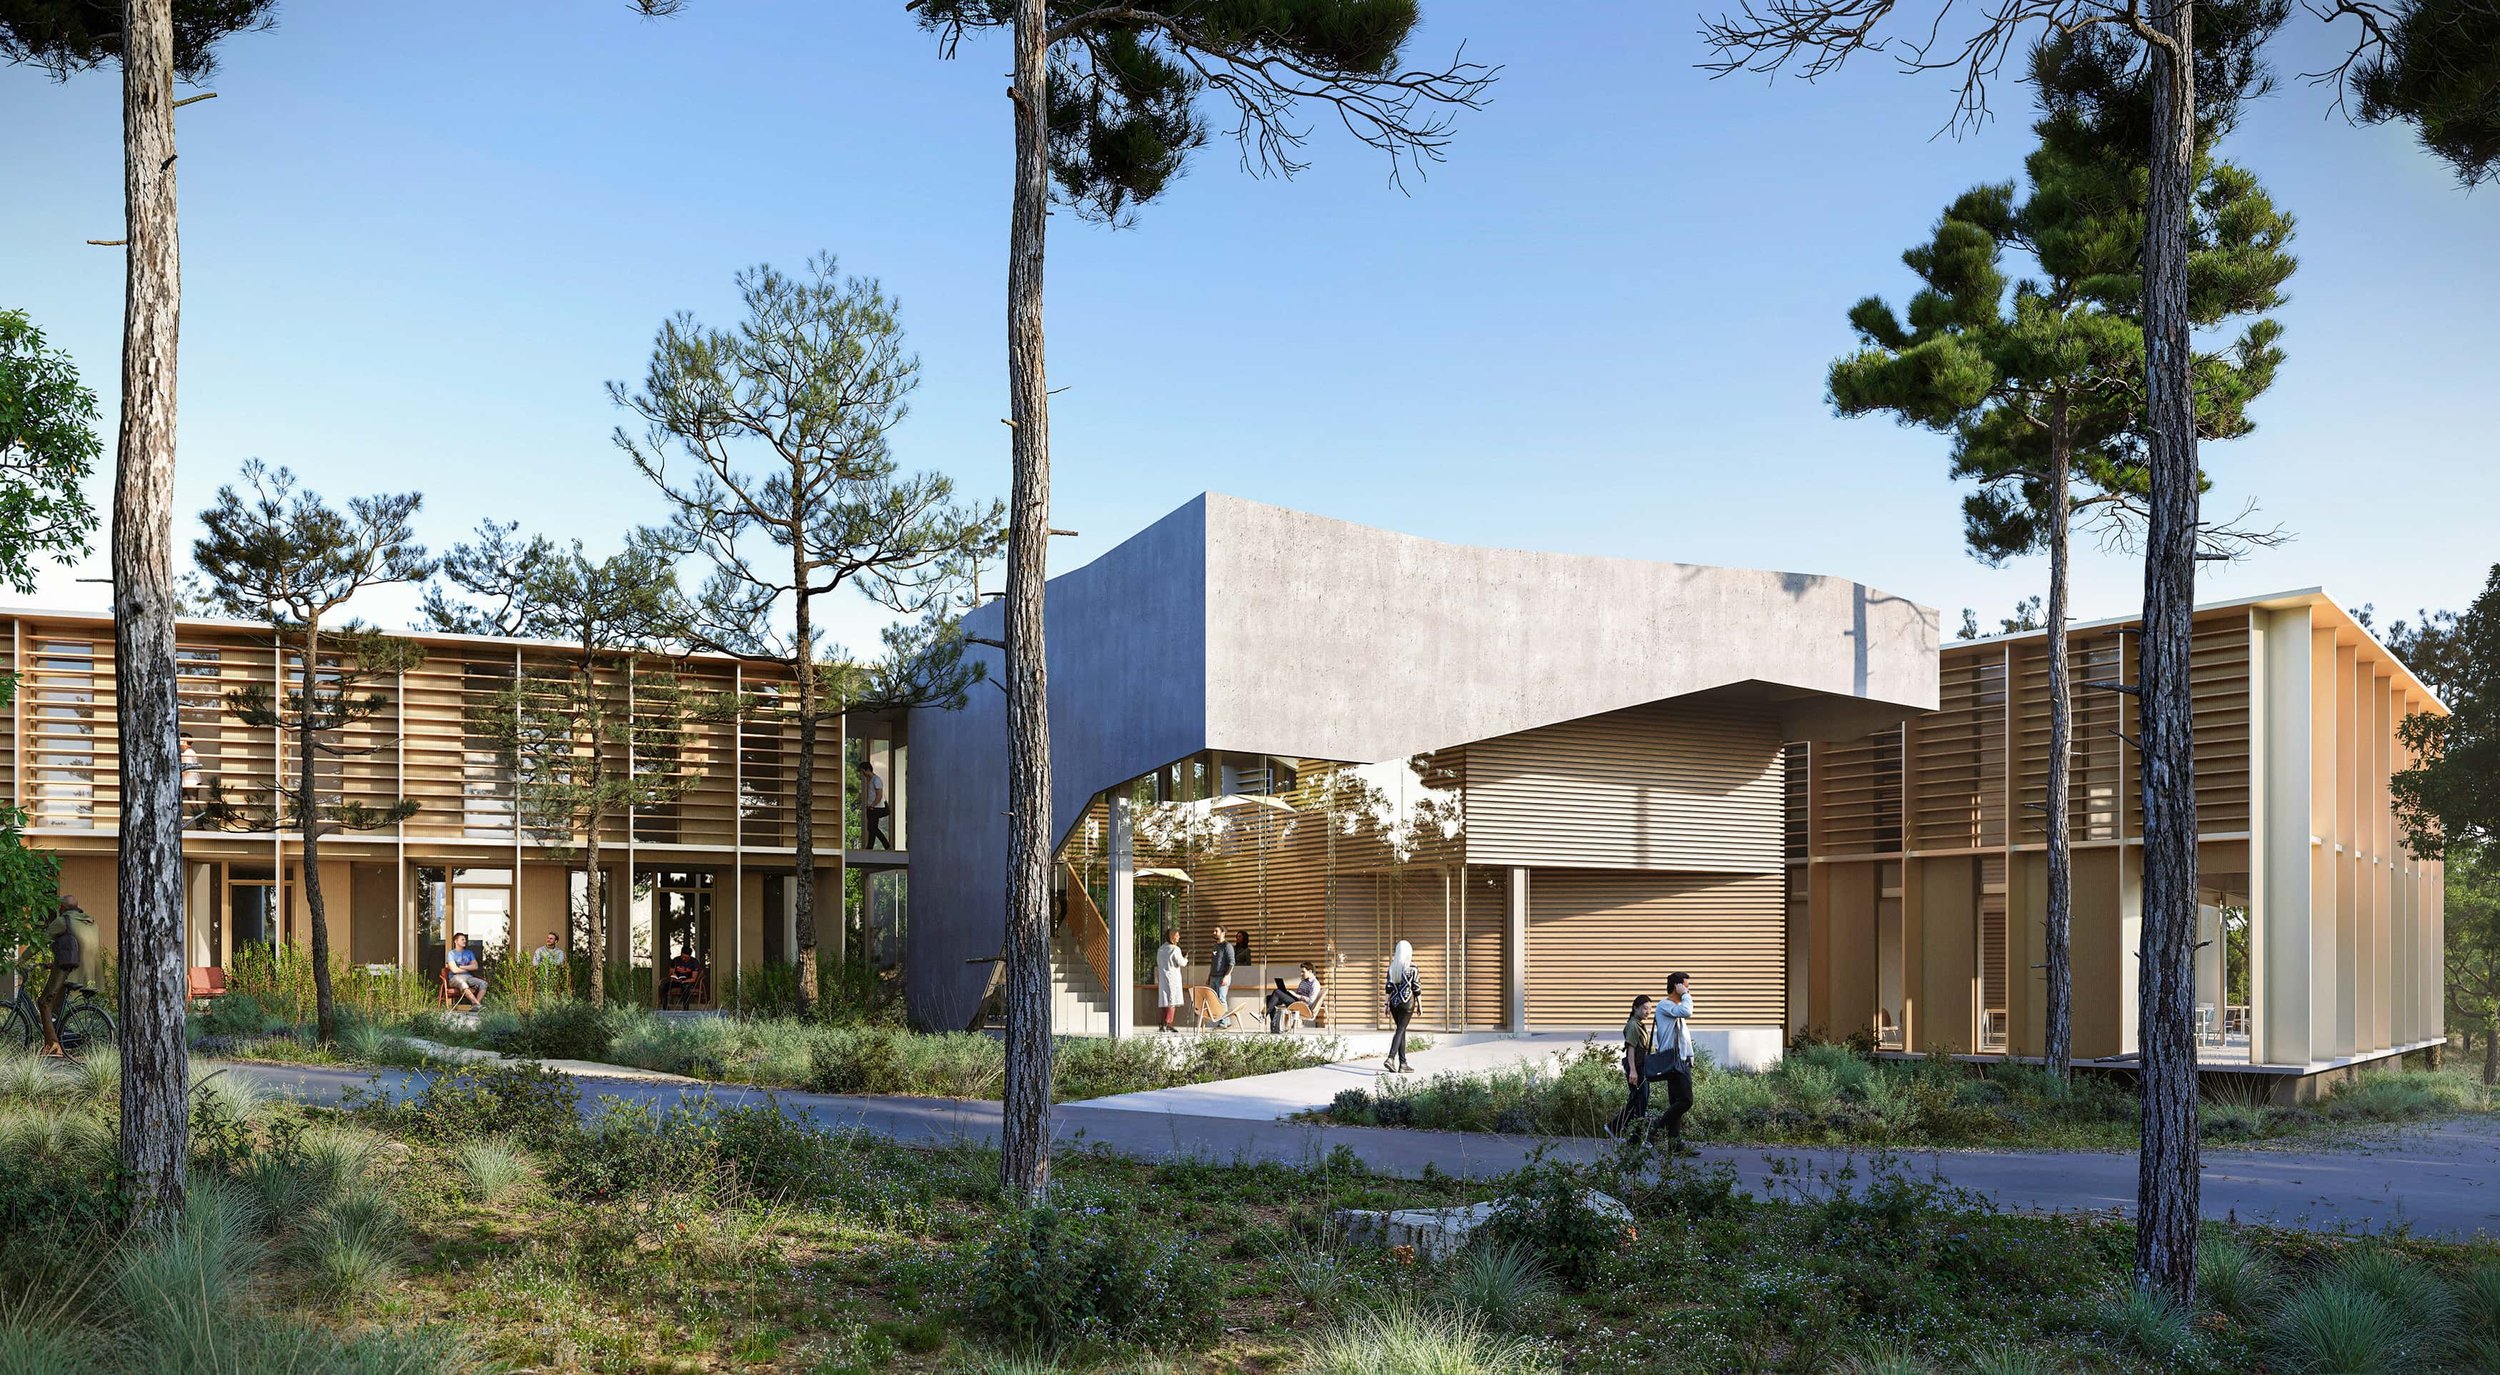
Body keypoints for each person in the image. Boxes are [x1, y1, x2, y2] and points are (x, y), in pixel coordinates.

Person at [36, 896, 100, 1057]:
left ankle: (52, 1045)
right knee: (55, 1005)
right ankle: (60, 1033)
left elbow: (39, 942)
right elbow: (75, 946)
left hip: (66, 968)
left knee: (44, 1002)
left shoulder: (63, 921)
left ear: (62, 908)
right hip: (87, 970)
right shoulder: (87, 921)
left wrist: (21, 960)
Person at [1653, 972, 1698, 1154]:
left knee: (1677, 1101)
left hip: (1681, 1059)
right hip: (1674, 1059)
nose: (1688, 990)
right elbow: (1688, 1012)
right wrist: (1685, 994)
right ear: (1677, 986)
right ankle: (1655, 1129)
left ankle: (1674, 1145)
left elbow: (1683, 1037)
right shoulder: (1665, 1005)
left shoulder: (1675, 1007)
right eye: (1686, 986)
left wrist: (1690, 1056)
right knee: (1686, 1100)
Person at [1608, 994, 1657, 1141]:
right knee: (1639, 1100)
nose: (1648, 1012)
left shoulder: (1639, 1024)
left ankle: (1622, 1131)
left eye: (1650, 1009)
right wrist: (1633, 1071)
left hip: (1641, 1067)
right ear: (1635, 1008)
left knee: (1638, 1100)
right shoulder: (1633, 1025)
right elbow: (1631, 1049)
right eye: (1644, 1008)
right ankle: (1628, 1133)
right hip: (1637, 1067)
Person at [1383, 939, 1420, 1073]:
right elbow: (1416, 988)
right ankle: (1391, 1057)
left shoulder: (1392, 968)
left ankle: (1403, 1064)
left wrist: (1386, 1004)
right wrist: (1420, 1005)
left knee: (1401, 1030)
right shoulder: (1413, 968)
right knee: (1400, 1030)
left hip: (1394, 1004)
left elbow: (1388, 988)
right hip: (1407, 1003)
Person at [1265, 962, 1320, 1033]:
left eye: (1303, 972)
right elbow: (1299, 994)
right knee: (1269, 998)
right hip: (1297, 1000)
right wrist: (1290, 993)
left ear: (1310, 971)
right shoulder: (1303, 981)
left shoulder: (1315, 984)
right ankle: (1274, 1026)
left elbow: (1311, 1000)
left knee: (1277, 992)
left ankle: (1263, 1015)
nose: (1301, 974)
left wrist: (1296, 995)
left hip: (1302, 1005)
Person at [1153, 928, 1187, 1033]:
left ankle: (1163, 1023)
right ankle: (1168, 1023)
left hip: (1163, 977)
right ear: (1172, 937)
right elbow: (1181, 963)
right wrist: (1185, 958)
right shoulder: (1175, 949)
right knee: (1172, 1001)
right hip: (1173, 977)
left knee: (1164, 1001)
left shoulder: (1160, 949)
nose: (1179, 937)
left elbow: (1158, 962)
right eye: (1177, 935)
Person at [444, 932, 487, 1008]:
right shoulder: (451, 953)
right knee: (463, 984)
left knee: (484, 983)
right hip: (455, 978)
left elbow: (475, 966)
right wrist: (468, 968)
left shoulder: (469, 953)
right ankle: (477, 1004)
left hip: (468, 977)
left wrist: (460, 967)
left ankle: (475, 1006)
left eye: (465, 940)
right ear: (456, 941)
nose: (465, 941)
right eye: (462, 939)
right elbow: (454, 970)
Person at [859, 760, 892, 850]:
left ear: (867, 770)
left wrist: (872, 805)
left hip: (876, 808)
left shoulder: (876, 780)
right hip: (873, 808)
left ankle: (886, 845)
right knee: (872, 828)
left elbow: (879, 795)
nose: (863, 773)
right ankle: (870, 847)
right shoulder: (871, 780)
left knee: (873, 828)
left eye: (863, 771)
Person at [1206, 925, 1235, 1021]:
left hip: (1222, 976)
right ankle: (1220, 1020)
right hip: (1213, 977)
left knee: (1221, 999)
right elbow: (1213, 963)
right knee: (1214, 1000)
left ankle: (1225, 1021)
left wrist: (1226, 976)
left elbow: (1231, 963)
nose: (1214, 933)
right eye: (1213, 931)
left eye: (1216, 931)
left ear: (1223, 933)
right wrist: (1209, 977)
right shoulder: (1215, 946)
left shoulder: (1227, 946)